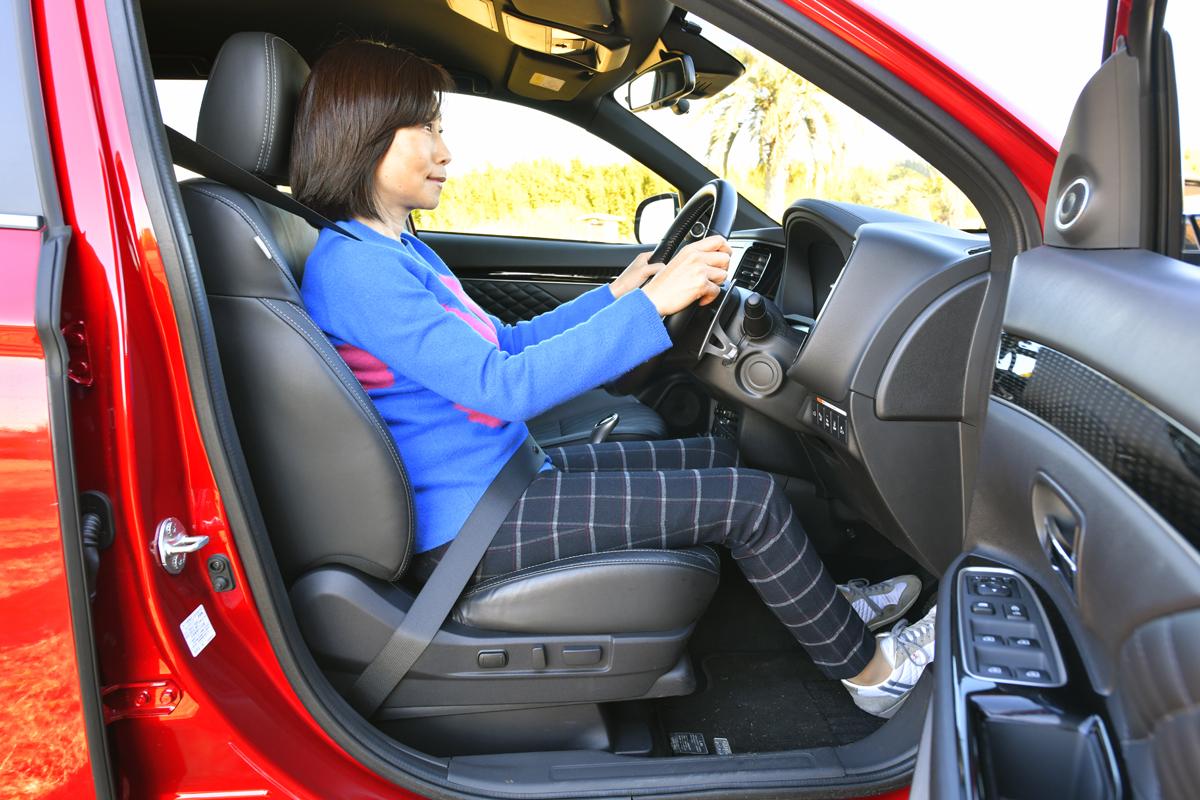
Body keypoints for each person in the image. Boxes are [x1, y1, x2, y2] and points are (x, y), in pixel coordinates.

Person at [292, 39, 935, 719]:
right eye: (424, 127)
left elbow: (503, 344)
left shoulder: (393, 250)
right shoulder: (356, 270)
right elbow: (503, 385)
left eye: (439, 127)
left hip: (503, 477)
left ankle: (826, 605)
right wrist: (655, 307)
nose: (446, 151)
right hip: (473, 525)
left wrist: (617, 297)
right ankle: (874, 675)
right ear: (362, 133)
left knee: (717, 453)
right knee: (746, 502)